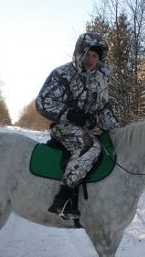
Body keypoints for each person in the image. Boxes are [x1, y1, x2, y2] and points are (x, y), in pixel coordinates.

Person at [35, 32, 121, 219]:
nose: (91, 60)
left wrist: (119, 133)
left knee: (108, 147)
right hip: (63, 126)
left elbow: (103, 110)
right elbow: (43, 102)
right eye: (89, 54)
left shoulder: (100, 81)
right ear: (80, 53)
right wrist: (69, 113)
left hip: (84, 129)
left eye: (95, 56)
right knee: (90, 146)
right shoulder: (63, 73)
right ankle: (63, 200)